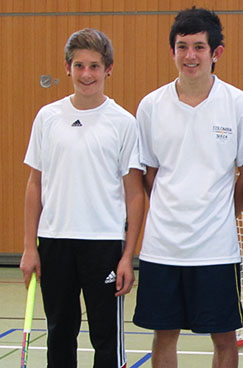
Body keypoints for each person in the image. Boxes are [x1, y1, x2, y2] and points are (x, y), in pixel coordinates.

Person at [132, 7, 243, 368]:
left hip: (217, 249)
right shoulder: (151, 106)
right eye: (182, 46)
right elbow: (148, 174)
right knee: (164, 335)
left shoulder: (239, 105)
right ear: (172, 50)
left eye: (199, 47)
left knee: (224, 338)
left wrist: (219, 212)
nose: (190, 56)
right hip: (163, 247)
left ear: (216, 52)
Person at [20, 28, 144, 367]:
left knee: (106, 336)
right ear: (67, 68)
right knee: (60, 332)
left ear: (109, 69)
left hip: (103, 244)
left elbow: (135, 194)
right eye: (79, 66)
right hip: (54, 242)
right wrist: (30, 247)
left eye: (94, 66)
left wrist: (127, 255)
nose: (86, 75)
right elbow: (35, 185)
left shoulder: (123, 123)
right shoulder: (47, 117)